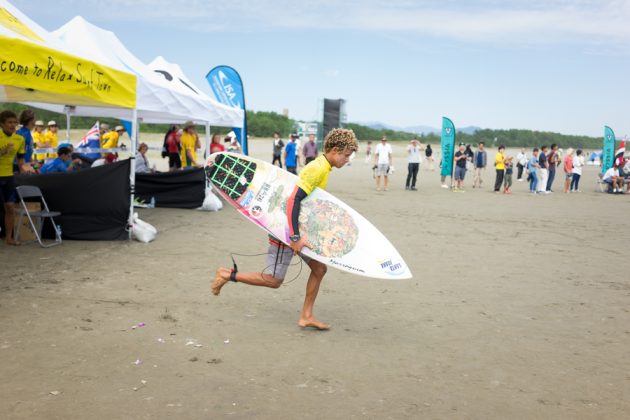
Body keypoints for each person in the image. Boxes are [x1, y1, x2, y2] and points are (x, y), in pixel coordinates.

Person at [211, 128, 359, 330]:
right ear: (334, 150)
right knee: (273, 280)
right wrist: (295, 236)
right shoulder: (318, 169)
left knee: (319, 268)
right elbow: (293, 201)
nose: (347, 160)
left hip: (298, 228)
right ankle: (227, 275)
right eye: (346, 155)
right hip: (285, 230)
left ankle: (306, 316)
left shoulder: (323, 167)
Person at [0, 110, 34, 245]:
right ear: (2, 124)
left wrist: (24, 168)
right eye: (9, 122)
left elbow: (20, 160)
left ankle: (9, 238)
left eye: (15, 122)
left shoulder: (20, 139)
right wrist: (2, 152)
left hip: (9, 177)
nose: (13, 125)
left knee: (10, 207)